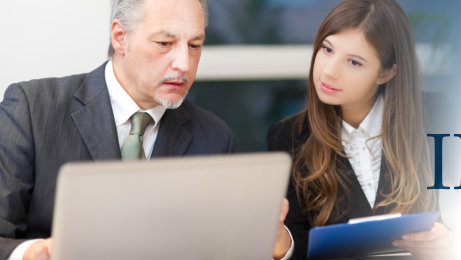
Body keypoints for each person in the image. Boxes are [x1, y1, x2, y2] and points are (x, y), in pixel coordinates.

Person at [0, 0, 241, 259]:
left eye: (195, 45)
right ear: (120, 37)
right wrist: (30, 253)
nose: (184, 64)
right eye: (164, 43)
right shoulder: (32, 108)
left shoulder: (215, 136)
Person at [267, 0, 456, 259]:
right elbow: (298, 241)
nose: (329, 72)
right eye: (327, 49)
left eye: (354, 62)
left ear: (387, 73)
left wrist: (452, 244)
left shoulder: (436, 115)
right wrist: (280, 241)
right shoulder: (288, 136)